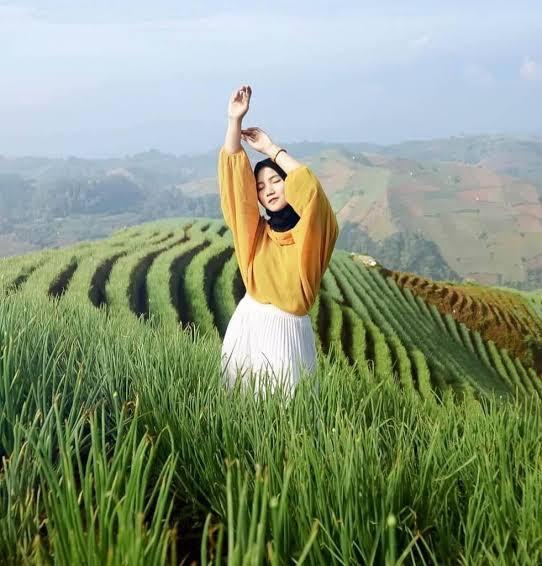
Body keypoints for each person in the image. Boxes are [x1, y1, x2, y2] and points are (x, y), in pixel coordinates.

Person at [218, 84, 338, 399]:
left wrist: (272, 150)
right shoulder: (255, 234)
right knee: (240, 412)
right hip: (248, 326)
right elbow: (234, 185)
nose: (269, 190)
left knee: (288, 418)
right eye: (261, 186)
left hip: (290, 334)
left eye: (276, 181)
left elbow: (311, 193)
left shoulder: (310, 235)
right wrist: (234, 121)